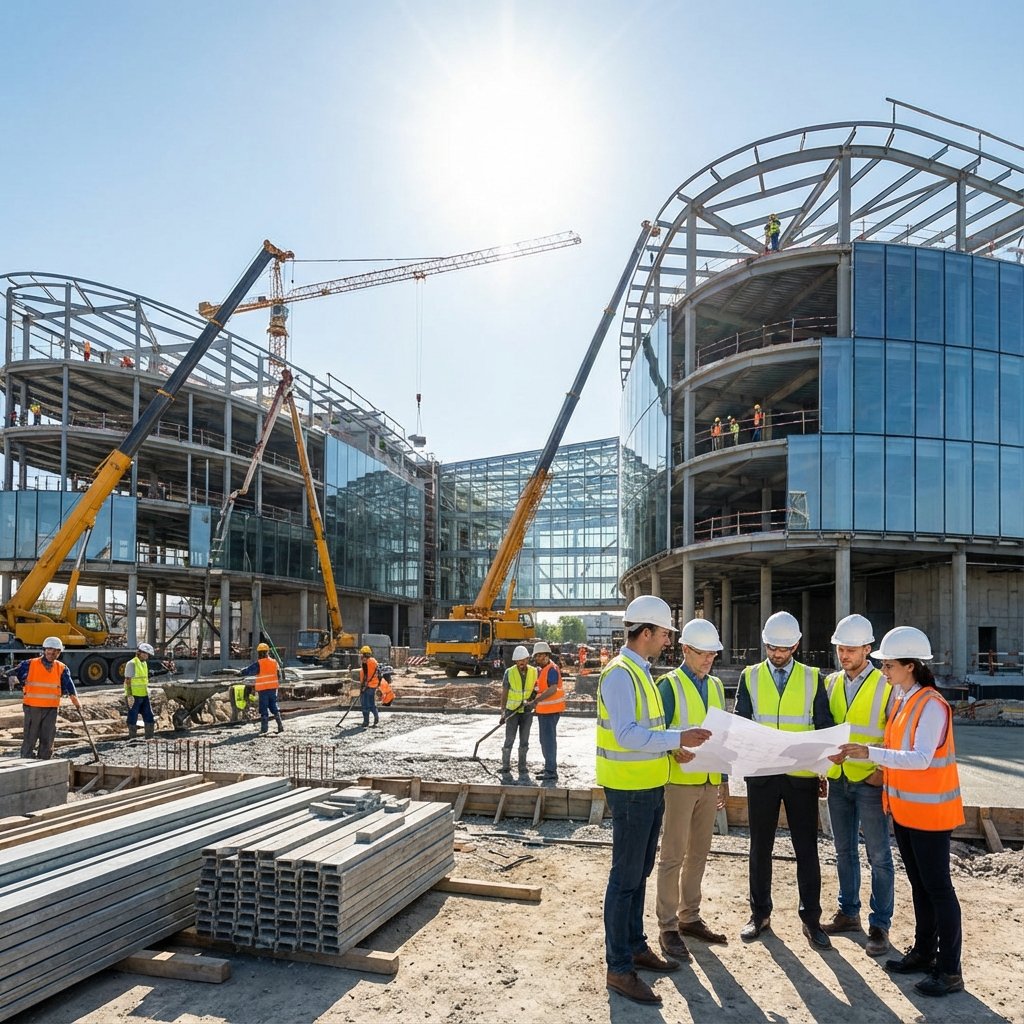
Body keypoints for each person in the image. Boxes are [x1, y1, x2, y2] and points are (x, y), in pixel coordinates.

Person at [836, 627, 965, 998]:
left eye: (889, 665)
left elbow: (921, 759)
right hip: (908, 813)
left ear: (910, 666)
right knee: (921, 888)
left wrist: (870, 754)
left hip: (931, 816)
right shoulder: (905, 699)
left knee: (939, 890)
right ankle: (924, 953)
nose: (884, 672)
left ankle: (950, 969)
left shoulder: (932, 705)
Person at [598, 595, 711, 1006]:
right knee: (625, 879)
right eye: (664, 633)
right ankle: (619, 967)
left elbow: (646, 730)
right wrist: (676, 739)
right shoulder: (620, 674)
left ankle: (635, 946)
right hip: (629, 790)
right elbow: (627, 734)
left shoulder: (641, 672)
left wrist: (671, 750)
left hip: (648, 785)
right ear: (645, 633)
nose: (667, 640)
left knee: (639, 872)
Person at [735, 610, 835, 950]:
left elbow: (823, 725)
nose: (778, 655)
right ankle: (759, 914)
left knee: (806, 849)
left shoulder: (812, 677)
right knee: (759, 847)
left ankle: (811, 919)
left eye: (785, 649)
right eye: (772, 648)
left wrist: (821, 768)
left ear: (796, 645)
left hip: (800, 776)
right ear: (765, 644)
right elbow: (741, 723)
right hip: (762, 775)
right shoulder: (749, 676)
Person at [656, 618, 729, 959]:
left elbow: (723, 737)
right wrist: (673, 748)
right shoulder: (668, 685)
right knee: (673, 855)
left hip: (709, 781)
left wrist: (724, 780)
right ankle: (668, 926)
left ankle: (690, 916)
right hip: (680, 782)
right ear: (685, 649)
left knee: (699, 853)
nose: (708, 660)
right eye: (702, 654)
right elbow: (656, 733)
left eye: (712, 654)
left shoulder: (715, 686)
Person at [822, 614, 894, 957]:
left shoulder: (885, 685)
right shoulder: (832, 682)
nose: (844, 654)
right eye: (840, 648)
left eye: (851, 648)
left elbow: (894, 733)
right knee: (844, 851)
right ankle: (848, 913)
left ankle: (880, 925)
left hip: (870, 780)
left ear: (868, 648)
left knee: (879, 856)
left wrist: (881, 772)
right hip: (839, 781)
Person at [14, 636, 82, 759]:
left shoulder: (61, 668)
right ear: (44, 650)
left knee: (48, 736)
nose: (52, 653)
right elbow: (13, 673)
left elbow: (69, 686)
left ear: (59, 652)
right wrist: (18, 681)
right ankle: (26, 757)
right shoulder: (30, 664)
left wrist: (76, 701)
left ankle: (45, 758)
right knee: (31, 735)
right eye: (50, 649)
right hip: (32, 706)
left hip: (51, 707)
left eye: (56, 650)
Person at [500, 645, 538, 778]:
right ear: (515, 661)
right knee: (509, 738)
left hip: (527, 710)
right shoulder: (509, 672)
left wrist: (532, 699)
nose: (521, 663)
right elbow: (504, 693)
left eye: (523, 660)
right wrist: (503, 711)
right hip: (512, 710)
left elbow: (537, 687)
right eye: (518, 661)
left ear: (527, 659)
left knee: (524, 739)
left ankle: (522, 766)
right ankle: (505, 766)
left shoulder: (534, 671)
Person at [532, 640, 564, 780]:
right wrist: (532, 699)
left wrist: (536, 700)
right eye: (536, 656)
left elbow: (552, 689)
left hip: (551, 711)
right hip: (544, 711)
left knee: (549, 741)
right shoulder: (542, 670)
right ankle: (548, 767)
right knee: (544, 740)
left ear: (546, 655)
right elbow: (538, 689)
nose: (537, 658)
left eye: (540, 656)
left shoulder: (552, 669)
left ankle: (551, 771)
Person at [240, 642, 284, 735]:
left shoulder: (259, 663)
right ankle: (280, 726)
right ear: (268, 652)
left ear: (259, 653)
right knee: (274, 706)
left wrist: (241, 672)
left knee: (264, 708)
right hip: (273, 689)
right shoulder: (274, 662)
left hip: (263, 689)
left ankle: (264, 729)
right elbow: (279, 675)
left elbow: (249, 671)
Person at [124, 642, 158, 740]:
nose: (147, 656)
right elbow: (128, 680)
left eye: (148, 655)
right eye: (145, 654)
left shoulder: (144, 664)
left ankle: (149, 738)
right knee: (133, 717)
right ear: (140, 653)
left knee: (149, 716)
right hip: (134, 696)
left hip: (144, 695)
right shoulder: (131, 664)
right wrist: (129, 695)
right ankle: (132, 738)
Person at [358, 644, 381, 727]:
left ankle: (366, 722)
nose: (360, 657)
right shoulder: (373, 661)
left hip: (368, 686)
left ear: (365, 655)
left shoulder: (368, 663)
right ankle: (376, 716)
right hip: (372, 686)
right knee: (371, 703)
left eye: (361, 655)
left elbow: (366, 676)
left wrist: (363, 687)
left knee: (365, 704)